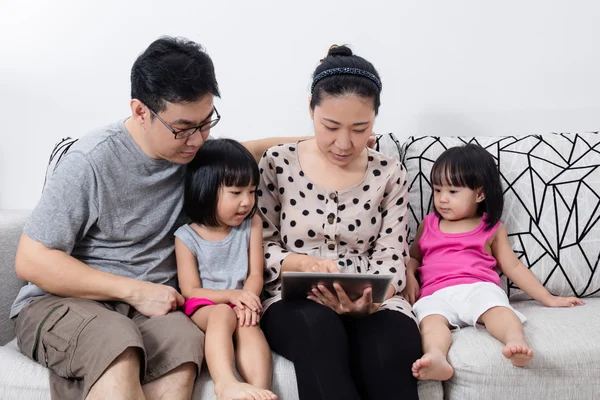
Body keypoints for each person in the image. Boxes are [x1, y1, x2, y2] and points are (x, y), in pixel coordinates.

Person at [11, 36, 301, 400]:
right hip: (65, 303)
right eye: (183, 128)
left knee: (183, 349)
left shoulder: (196, 156)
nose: (197, 139)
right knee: (118, 345)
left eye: (206, 122)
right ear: (140, 111)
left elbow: (254, 148)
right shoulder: (91, 161)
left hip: (157, 310)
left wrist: (325, 141)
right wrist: (135, 291)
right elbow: (30, 259)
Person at [257, 45, 422, 400]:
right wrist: (299, 263)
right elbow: (260, 244)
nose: (344, 143)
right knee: (318, 331)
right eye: (330, 127)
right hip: (294, 299)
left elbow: (393, 253)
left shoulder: (389, 172)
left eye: (360, 129)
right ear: (310, 110)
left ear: (375, 120)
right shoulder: (277, 163)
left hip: (374, 299)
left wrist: (375, 298)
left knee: (388, 348)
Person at [402, 143, 585, 381]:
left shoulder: (491, 228)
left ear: (479, 194)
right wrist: (409, 274)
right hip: (436, 293)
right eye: (437, 190)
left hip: (478, 289)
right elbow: (414, 257)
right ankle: (437, 357)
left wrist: (549, 298)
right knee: (430, 323)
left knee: (498, 311)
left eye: (453, 192)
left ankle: (515, 341)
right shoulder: (427, 225)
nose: (442, 199)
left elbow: (513, 267)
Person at [174, 139, 276, 400]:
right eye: (236, 193)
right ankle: (225, 384)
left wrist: (249, 300)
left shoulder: (251, 223)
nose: (246, 202)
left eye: (252, 191)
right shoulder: (186, 237)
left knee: (248, 323)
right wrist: (232, 297)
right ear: (206, 190)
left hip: (242, 300)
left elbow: (255, 274)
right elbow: (191, 290)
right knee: (222, 314)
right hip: (205, 306)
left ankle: (260, 390)